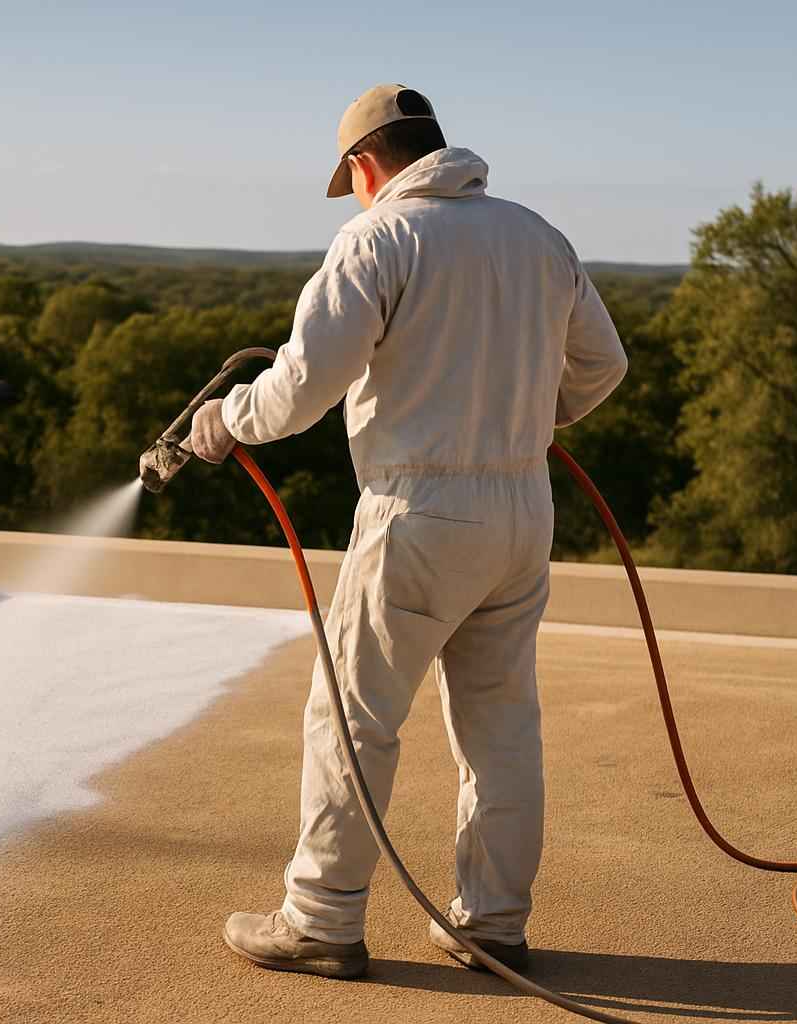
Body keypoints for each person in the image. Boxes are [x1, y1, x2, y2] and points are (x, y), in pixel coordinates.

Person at [189, 83, 627, 980]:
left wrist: (229, 419)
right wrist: (527, 422)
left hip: (419, 514)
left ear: (364, 163)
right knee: (502, 725)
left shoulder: (377, 237)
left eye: (349, 177)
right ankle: (493, 924)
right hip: (521, 510)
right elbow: (605, 366)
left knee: (354, 719)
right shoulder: (537, 237)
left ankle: (319, 921)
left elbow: (305, 386)